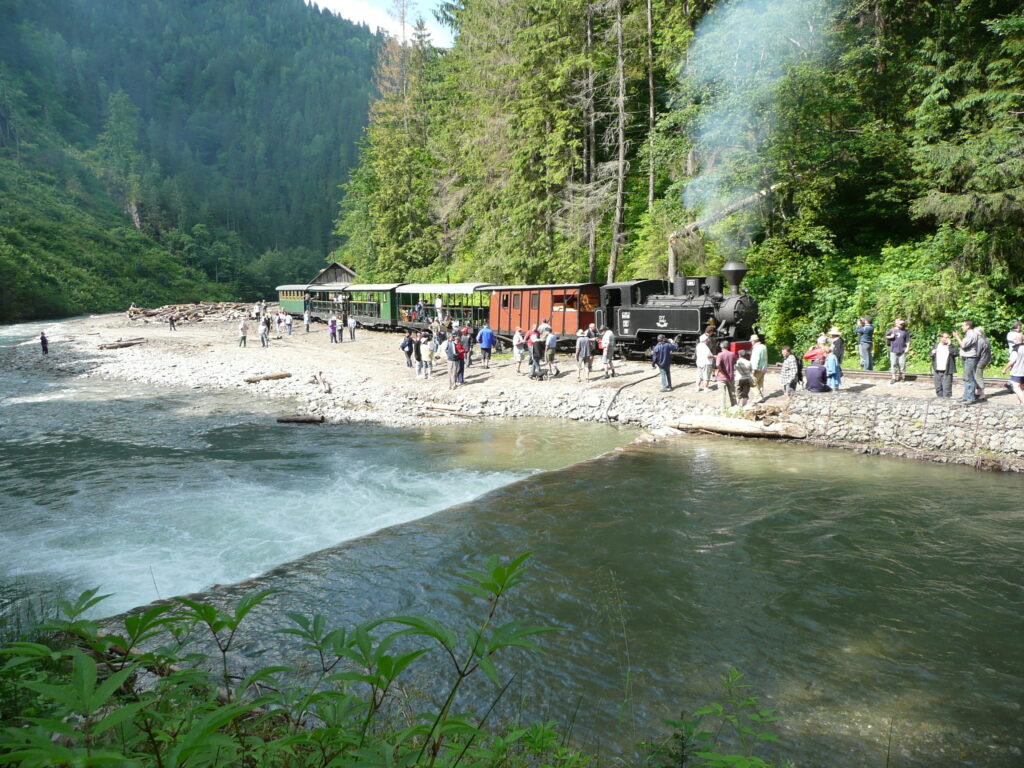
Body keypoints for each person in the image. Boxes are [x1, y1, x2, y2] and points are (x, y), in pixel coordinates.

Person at [952, 320, 979, 403]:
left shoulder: (971, 334)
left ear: (968, 326)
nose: (962, 327)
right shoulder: (968, 334)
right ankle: (966, 396)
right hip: (966, 358)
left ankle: (970, 398)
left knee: (969, 378)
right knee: (966, 378)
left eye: (963, 326)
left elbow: (963, 345)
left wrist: (956, 336)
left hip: (970, 358)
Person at [930, 332, 958, 397]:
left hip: (947, 370)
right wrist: (932, 352)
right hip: (937, 370)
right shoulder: (936, 345)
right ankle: (940, 401)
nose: (947, 339)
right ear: (941, 338)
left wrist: (950, 345)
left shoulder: (951, 346)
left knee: (947, 389)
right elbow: (930, 353)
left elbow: (956, 353)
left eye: (948, 337)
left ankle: (947, 402)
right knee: (938, 388)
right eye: (945, 337)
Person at [1001, 332, 1024, 405]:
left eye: (1014, 339)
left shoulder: (1016, 349)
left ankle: (1023, 402)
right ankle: (1019, 401)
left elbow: (1012, 361)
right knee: (1020, 386)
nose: (1013, 340)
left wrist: (1005, 369)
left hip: (1017, 371)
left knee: (1015, 387)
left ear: (1017, 340)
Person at [885, 318, 911, 383]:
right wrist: (890, 337)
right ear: (896, 323)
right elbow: (886, 336)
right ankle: (893, 377)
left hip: (902, 350)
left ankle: (901, 376)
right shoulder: (892, 330)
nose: (902, 324)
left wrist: (907, 348)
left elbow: (907, 340)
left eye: (903, 323)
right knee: (893, 363)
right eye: (901, 323)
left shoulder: (905, 331)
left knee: (902, 364)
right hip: (893, 350)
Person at [715, 342, 738, 409]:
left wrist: (721, 372)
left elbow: (717, 365)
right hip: (731, 376)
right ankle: (734, 406)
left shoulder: (720, 354)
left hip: (721, 377)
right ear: (728, 347)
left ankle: (723, 408)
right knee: (732, 393)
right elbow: (735, 363)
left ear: (721, 347)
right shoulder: (732, 354)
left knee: (722, 394)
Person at [974, 327, 992, 401]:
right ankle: (978, 392)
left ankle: (982, 394)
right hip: (986, 359)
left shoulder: (979, 341)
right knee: (978, 375)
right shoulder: (986, 339)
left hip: (980, 360)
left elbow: (977, 353)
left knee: (978, 376)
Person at [750, 334, 767, 401]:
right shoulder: (763, 346)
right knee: (760, 382)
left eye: (751, 341)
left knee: (752, 382)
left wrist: (753, 369)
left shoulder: (756, 348)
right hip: (764, 368)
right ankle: (761, 397)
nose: (751, 342)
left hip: (758, 368)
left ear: (754, 341)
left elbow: (755, 359)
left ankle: (758, 396)